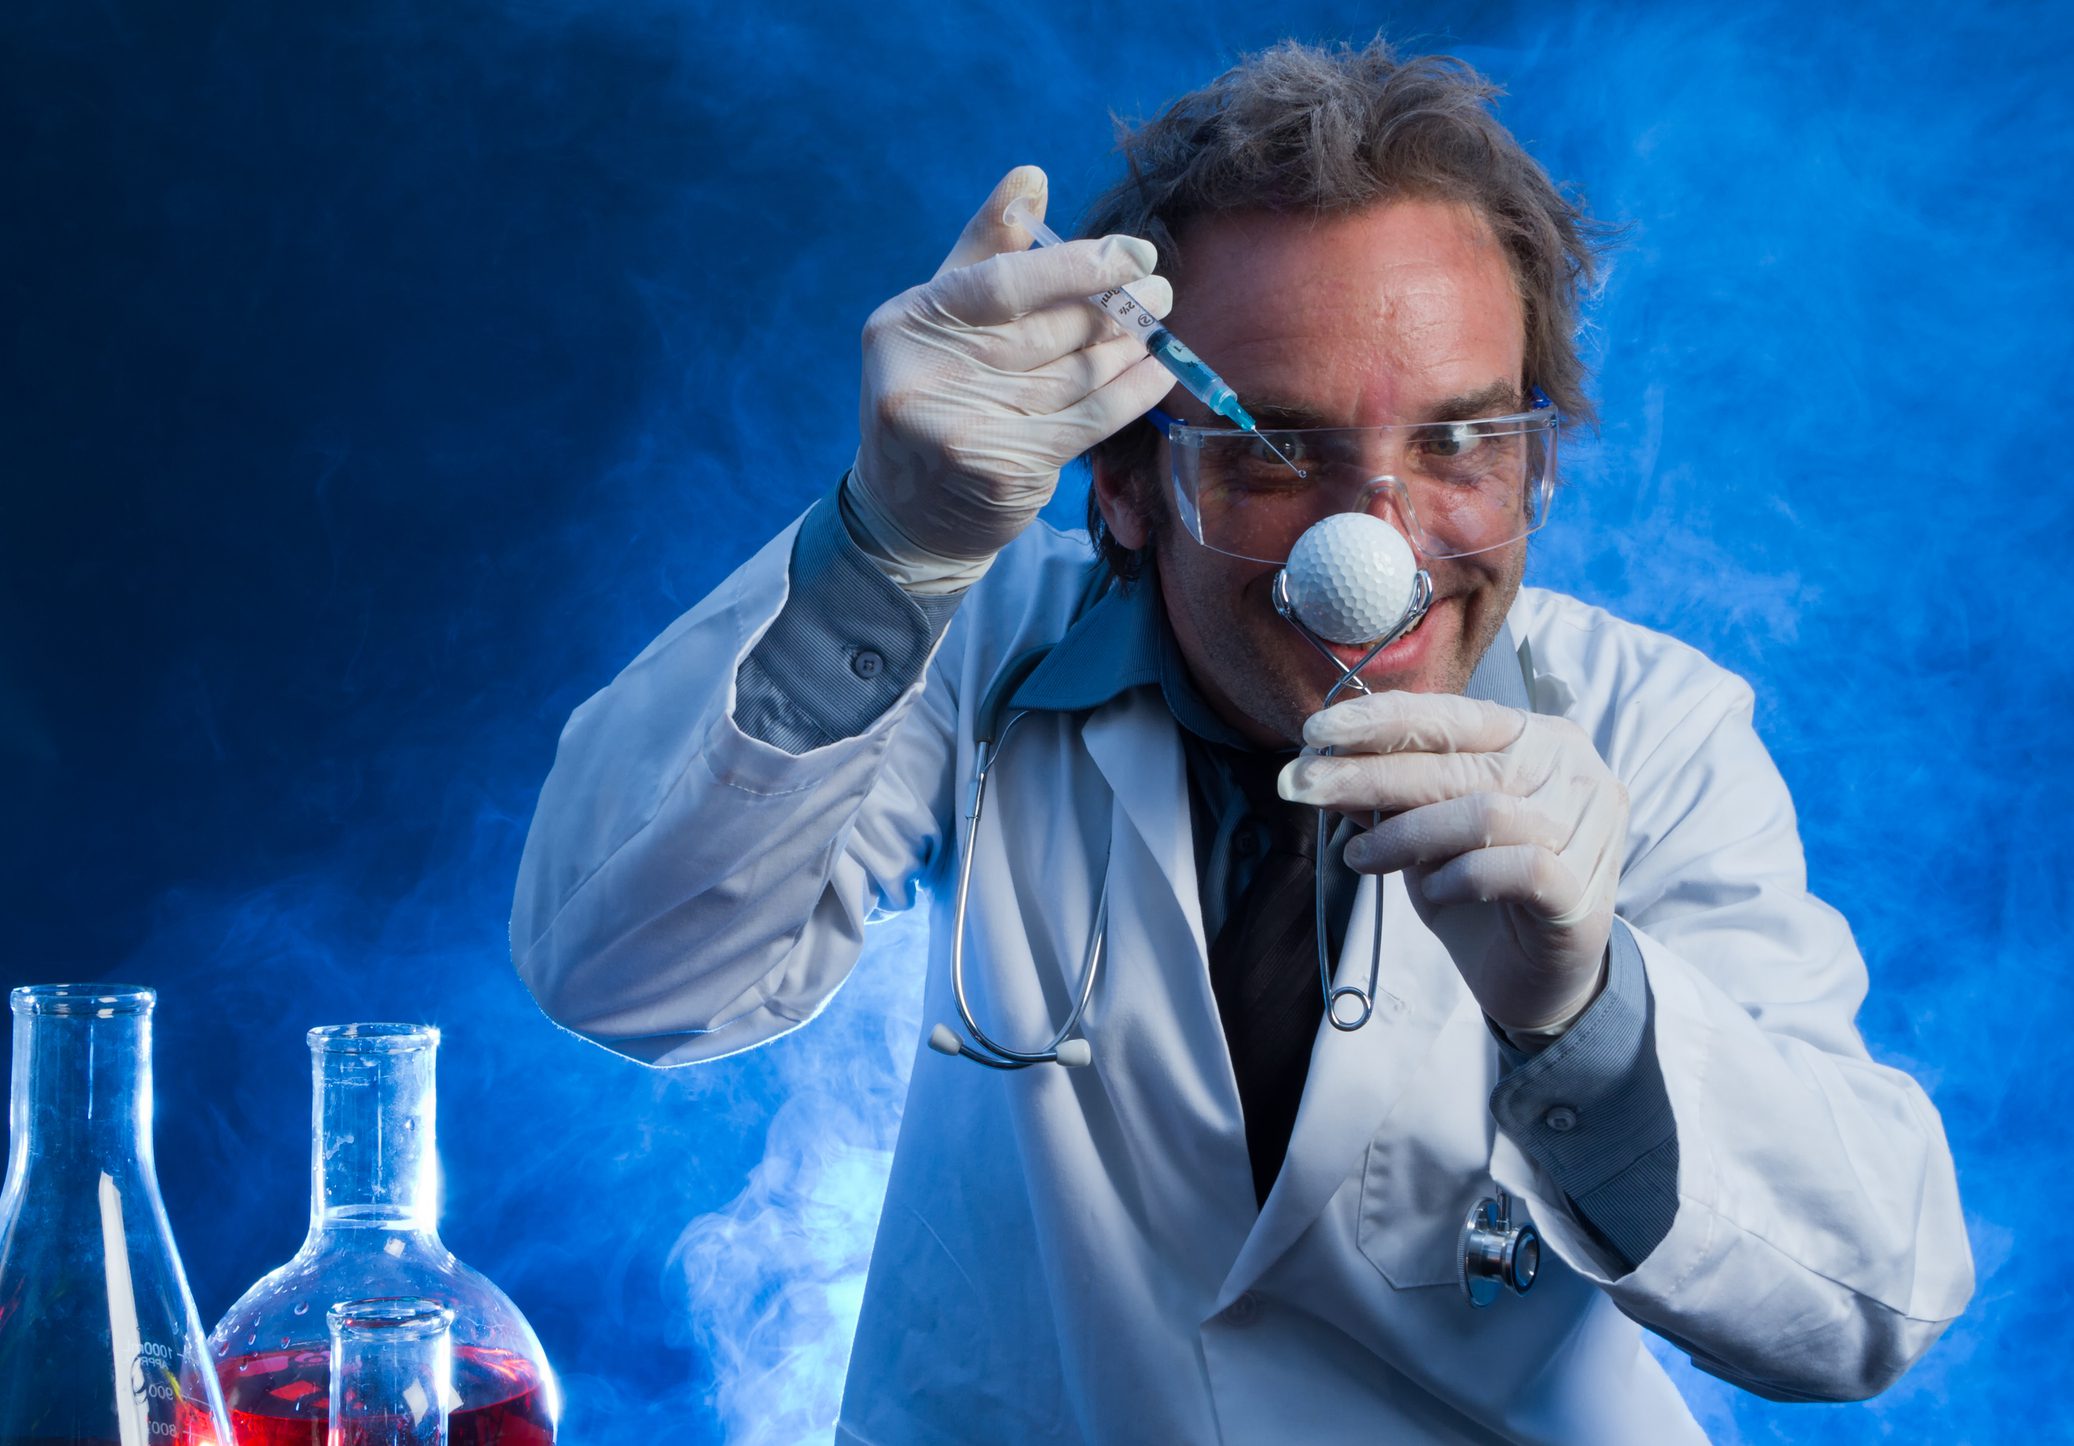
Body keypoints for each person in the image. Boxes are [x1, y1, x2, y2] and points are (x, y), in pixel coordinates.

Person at [510, 39, 1971, 1444]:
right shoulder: (963, 640)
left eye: (1460, 443)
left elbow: (1867, 1300)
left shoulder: (1656, 727)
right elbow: (622, 974)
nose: (1377, 551)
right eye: (1274, 450)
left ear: (1535, 461)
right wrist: (880, 554)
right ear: (1128, 481)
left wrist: (1582, 1006)